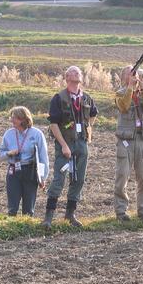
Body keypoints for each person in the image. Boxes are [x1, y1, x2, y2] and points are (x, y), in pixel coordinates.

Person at [42, 65, 98, 228]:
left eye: (78, 72)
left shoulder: (86, 98)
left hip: (81, 143)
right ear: (66, 78)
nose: (76, 73)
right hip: (65, 143)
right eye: (72, 72)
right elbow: (53, 124)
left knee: (79, 179)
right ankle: (48, 217)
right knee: (59, 178)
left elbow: (93, 115)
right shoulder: (58, 98)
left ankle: (70, 214)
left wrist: (88, 130)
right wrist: (64, 145)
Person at [113, 64, 143, 223]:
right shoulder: (120, 93)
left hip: (142, 139)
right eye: (129, 74)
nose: (133, 76)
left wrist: (142, 89)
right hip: (126, 140)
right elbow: (124, 106)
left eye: (135, 74)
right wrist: (130, 88)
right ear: (123, 77)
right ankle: (121, 211)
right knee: (122, 176)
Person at [0, 106, 50, 217]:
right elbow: (0, 155)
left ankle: (26, 226)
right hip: (13, 171)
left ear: (23, 119)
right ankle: (11, 225)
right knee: (12, 207)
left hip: (30, 171)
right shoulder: (9, 134)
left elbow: (43, 157)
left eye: (14, 117)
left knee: (28, 208)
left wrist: (42, 177)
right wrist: (9, 153)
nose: (11, 120)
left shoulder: (37, 134)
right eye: (11, 117)